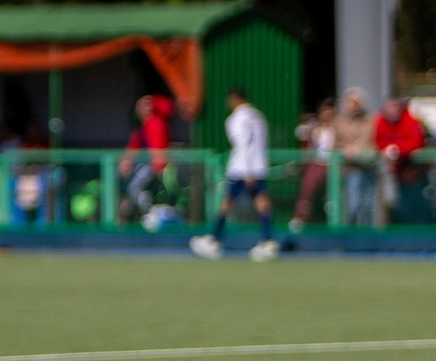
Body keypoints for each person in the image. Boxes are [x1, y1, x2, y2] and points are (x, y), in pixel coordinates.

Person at [191, 85, 277, 260]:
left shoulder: (236, 118)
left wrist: (248, 171)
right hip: (258, 166)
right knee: (261, 201)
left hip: (241, 169)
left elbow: (242, 144)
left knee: (227, 202)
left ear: (234, 99)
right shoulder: (258, 116)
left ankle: (214, 239)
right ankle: (268, 240)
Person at [119, 94, 173, 220]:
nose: (143, 110)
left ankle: (149, 213)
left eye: (146, 106)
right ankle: (137, 214)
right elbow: (134, 146)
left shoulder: (156, 120)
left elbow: (169, 107)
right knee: (132, 188)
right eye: (140, 107)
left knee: (135, 188)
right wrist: (125, 161)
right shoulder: (142, 127)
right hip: (147, 166)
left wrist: (153, 101)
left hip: (158, 166)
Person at [374, 96, 428, 222]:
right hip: (393, 172)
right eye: (390, 107)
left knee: (417, 204)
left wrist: (397, 150)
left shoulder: (410, 120)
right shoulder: (381, 121)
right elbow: (378, 141)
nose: (393, 110)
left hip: (413, 171)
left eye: (395, 106)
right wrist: (387, 150)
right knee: (397, 205)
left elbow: (416, 141)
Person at [289, 98, 337, 230]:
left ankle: (335, 221)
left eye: (330, 111)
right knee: (307, 188)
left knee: (332, 194)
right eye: (324, 111)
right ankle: (300, 218)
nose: (327, 114)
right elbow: (300, 132)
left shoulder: (338, 128)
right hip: (318, 163)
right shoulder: (315, 128)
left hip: (334, 165)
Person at [336, 89, 378, 226]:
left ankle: (367, 236)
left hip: (368, 167)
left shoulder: (371, 120)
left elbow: (376, 141)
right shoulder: (340, 122)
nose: (353, 106)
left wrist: (363, 150)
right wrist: (345, 149)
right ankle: (350, 235)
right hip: (351, 169)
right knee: (353, 206)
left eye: (356, 103)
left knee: (367, 207)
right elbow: (335, 143)